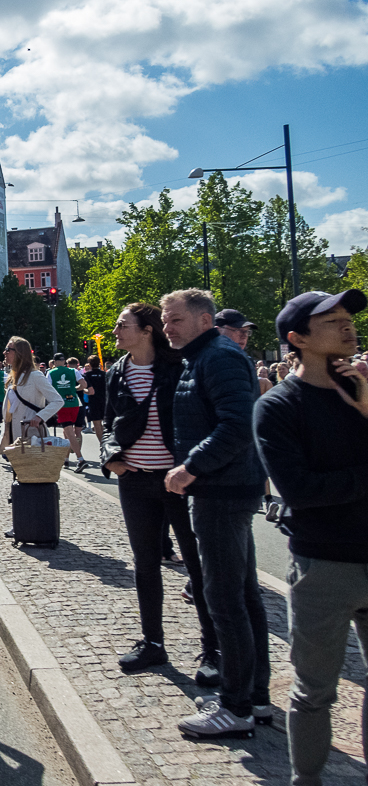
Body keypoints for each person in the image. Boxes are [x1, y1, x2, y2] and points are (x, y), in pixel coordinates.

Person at [253, 289, 368, 782]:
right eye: (333, 320)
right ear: (296, 339)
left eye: (349, 318)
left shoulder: (361, 392)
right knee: (315, 691)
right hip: (324, 565)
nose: (348, 326)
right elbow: (301, 490)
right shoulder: (279, 406)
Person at [162, 289, 270, 739]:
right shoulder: (205, 354)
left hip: (222, 491)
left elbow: (237, 425)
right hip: (226, 488)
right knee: (244, 598)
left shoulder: (218, 357)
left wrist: (191, 467)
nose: (167, 327)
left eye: (175, 320)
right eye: (165, 321)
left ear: (204, 321)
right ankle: (254, 697)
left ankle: (236, 706)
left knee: (225, 601)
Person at [100, 304, 218, 686]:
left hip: (179, 481)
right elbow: (105, 425)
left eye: (122, 325)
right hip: (134, 481)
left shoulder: (177, 366)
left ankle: (212, 648)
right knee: (145, 563)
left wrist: (190, 467)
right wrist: (110, 459)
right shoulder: (117, 371)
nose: (116, 331)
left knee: (196, 566)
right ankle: (153, 642)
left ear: (147, 330)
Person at [2, 338, 64, 448]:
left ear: (19, 353)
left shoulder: (35, 376)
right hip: (14, 433)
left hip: (31, 434)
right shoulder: (13, 377)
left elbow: (58, 401)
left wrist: (40, 416)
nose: (4, 352)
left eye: (8, 349)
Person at [47, 354, 89, 473]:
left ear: (54, 362)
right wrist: (74, 389)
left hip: (62, 405)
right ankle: (66, 458)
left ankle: (80, 459)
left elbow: (47, 388)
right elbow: (84, 385)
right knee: (67, 431)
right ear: (64, 361)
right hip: (74, 403)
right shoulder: (73, 370)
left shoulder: (51, 373)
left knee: (70, 433)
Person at [82, 355, 108, 452]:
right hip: (105, 401)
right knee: (105, 425)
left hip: (94, 402)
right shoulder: (105, 374)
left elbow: (90, 391)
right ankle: (107, 442)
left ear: (89, 364)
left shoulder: (87, 375)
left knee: (97, 425)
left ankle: (102, 445)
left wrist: (84, 391)